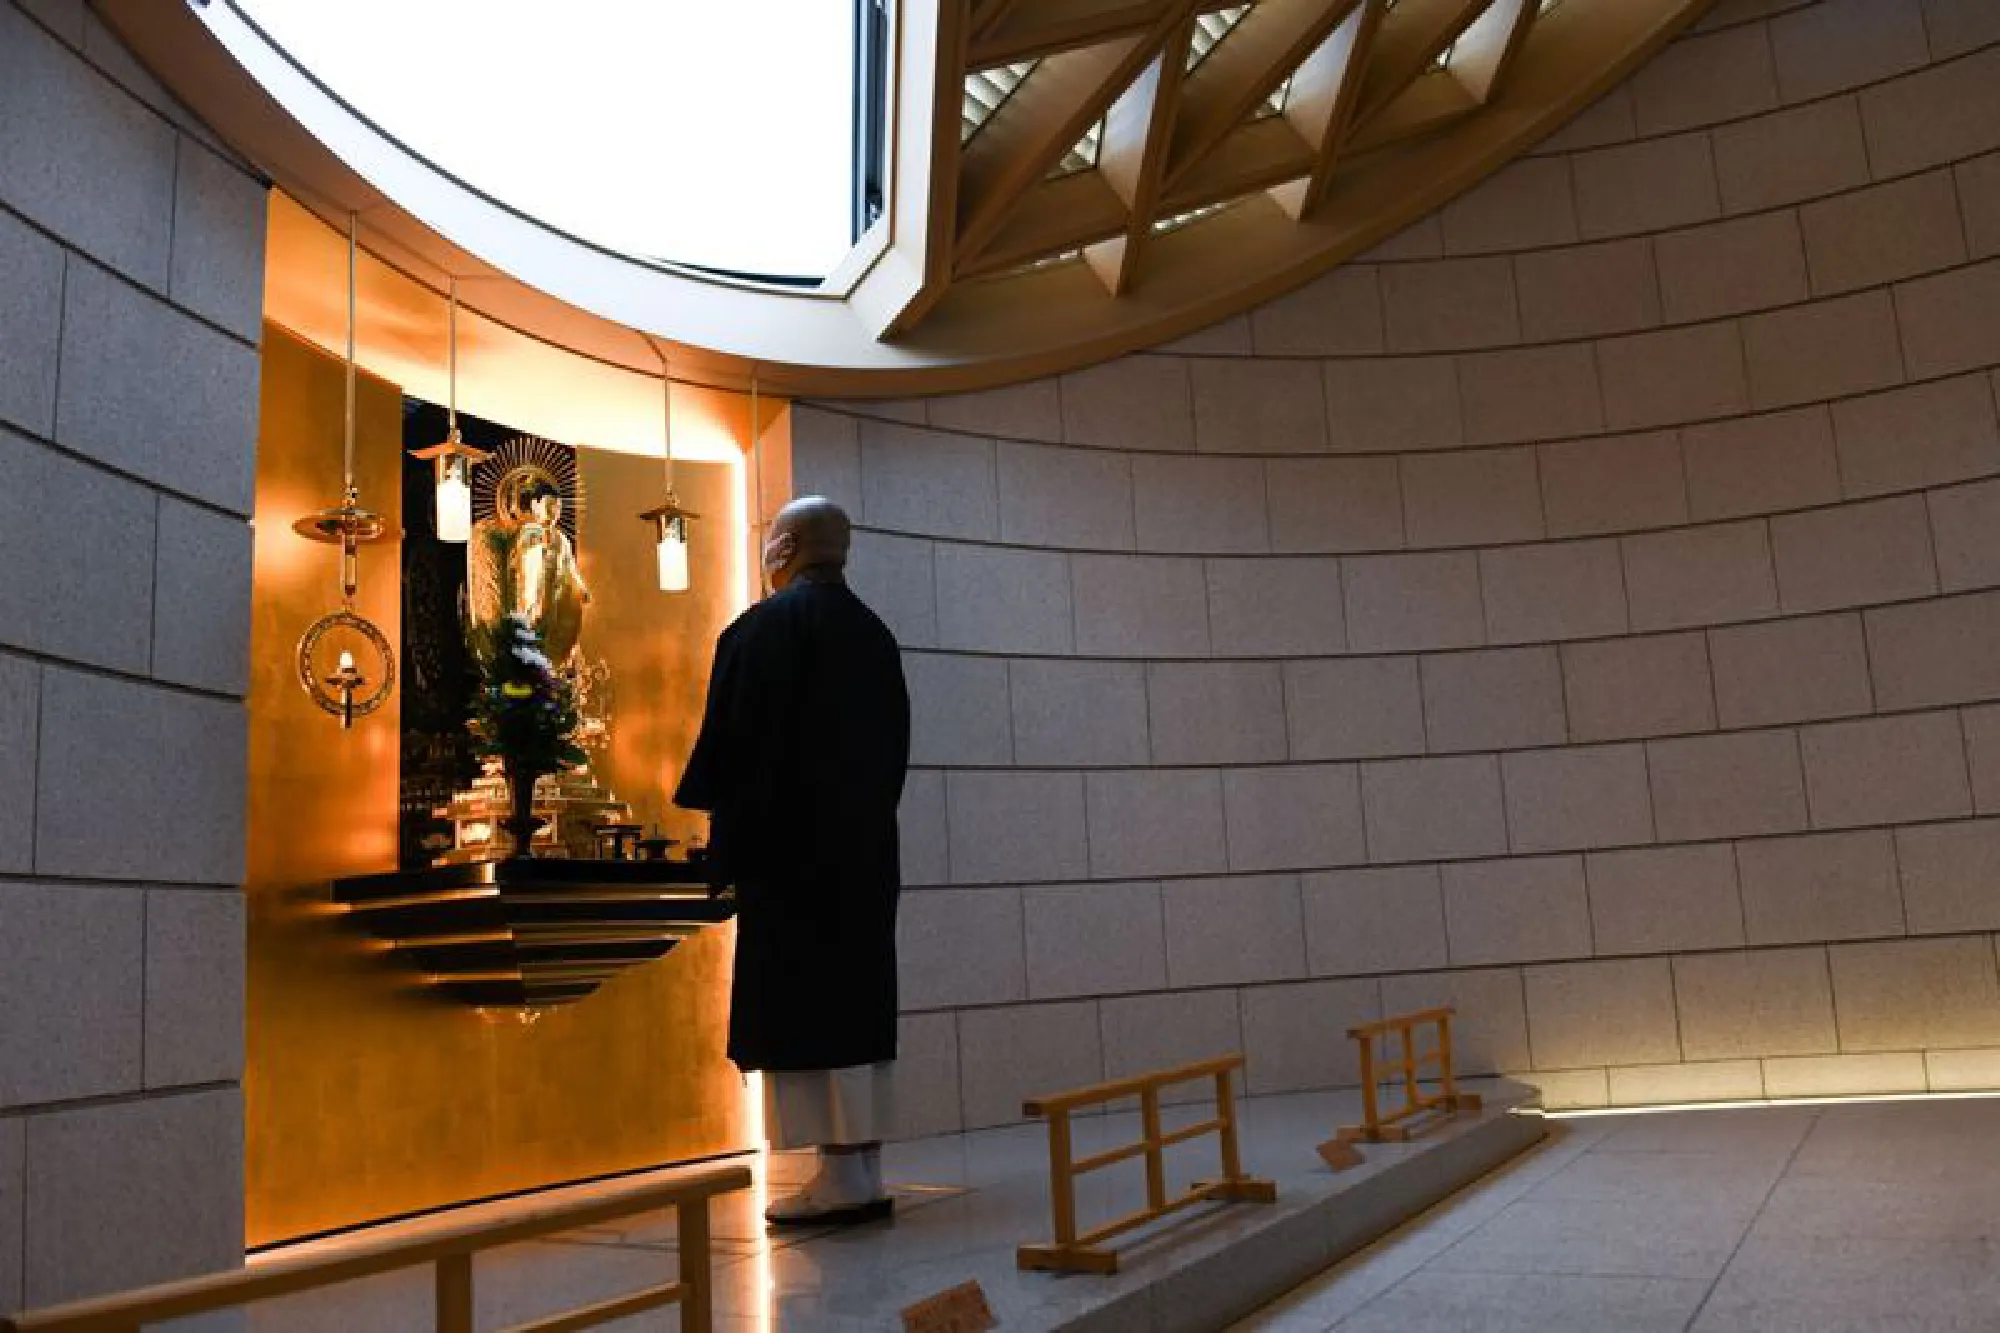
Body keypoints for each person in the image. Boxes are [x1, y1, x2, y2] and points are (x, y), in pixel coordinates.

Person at [674, 496, 910, 1226]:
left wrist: (725, 851)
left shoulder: (762, 628)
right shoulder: (876, 635)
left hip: (790, 858)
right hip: (865, 854)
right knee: (859, 1002)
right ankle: (861, 1165)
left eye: (771, 538)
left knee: (808, 1005)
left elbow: (741, 754)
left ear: (788, 547)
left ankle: (838, 1173)